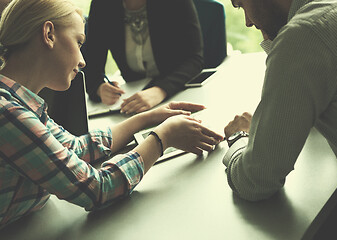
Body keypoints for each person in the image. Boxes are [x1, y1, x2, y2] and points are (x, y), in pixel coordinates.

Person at [0, 0, 223, 227]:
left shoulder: (20, 103)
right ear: (49, 34)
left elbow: (75, 148)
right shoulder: (8, 113)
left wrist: (146, 118)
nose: (82, 60)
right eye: (78, 42)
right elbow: (97, 189)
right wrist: (162, 138)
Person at [222, 0, 337, 237]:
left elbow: (257, 180)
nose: (247, 21)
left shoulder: (303, 35)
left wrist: (240, 137)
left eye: (241, 4)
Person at [82, 0, 204, 114]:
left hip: (180, 90)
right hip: (134, 101)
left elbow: (194, 59)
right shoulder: (102, 5)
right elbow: (90, 66)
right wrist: (99, 88)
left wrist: (160, 90)